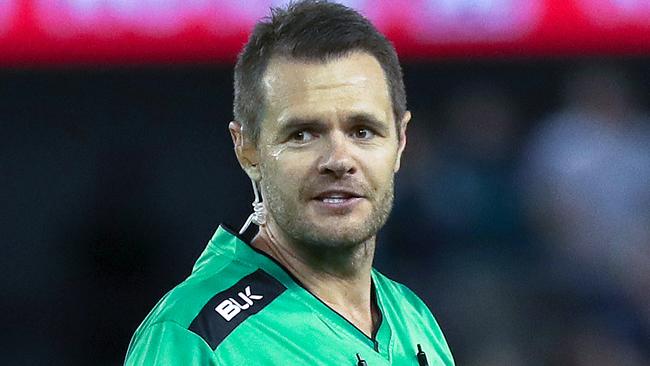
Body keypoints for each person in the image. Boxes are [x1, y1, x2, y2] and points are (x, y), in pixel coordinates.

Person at [124, 1, 454, 365]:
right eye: (302, 134)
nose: (339, 161)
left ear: (400, 142)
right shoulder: (195, 338)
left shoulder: (414, 318)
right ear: (248, 150)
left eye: (363, 131)